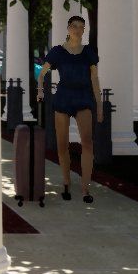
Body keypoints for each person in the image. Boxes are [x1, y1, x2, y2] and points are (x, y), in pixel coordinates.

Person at [42, 16, 102, 204]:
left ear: (84, 30)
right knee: (62, 144)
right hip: (63, 97)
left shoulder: (88, 52)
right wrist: (39, 90)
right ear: (68, 28)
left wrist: (99, 105)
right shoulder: (57, 52)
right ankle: (66, 181)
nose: (78, 30)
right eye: (75, 26)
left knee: (87, 143)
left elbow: (95, 79)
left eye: (81, 27)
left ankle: (85, 186)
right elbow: (43, 72)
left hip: (83, 97)